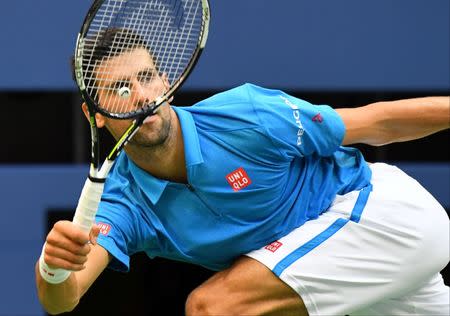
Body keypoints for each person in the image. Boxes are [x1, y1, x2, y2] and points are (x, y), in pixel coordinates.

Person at [35, 28, 450, 316]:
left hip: (380, 215)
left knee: (215, 307)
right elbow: (63, 299)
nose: (143, 97)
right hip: (352, 264)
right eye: (121, 90)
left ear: (166, 80)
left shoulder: (245, 115)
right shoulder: (124, 202)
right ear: (96, 115)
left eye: (147, 78)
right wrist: (53, 267)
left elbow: (378, 122)